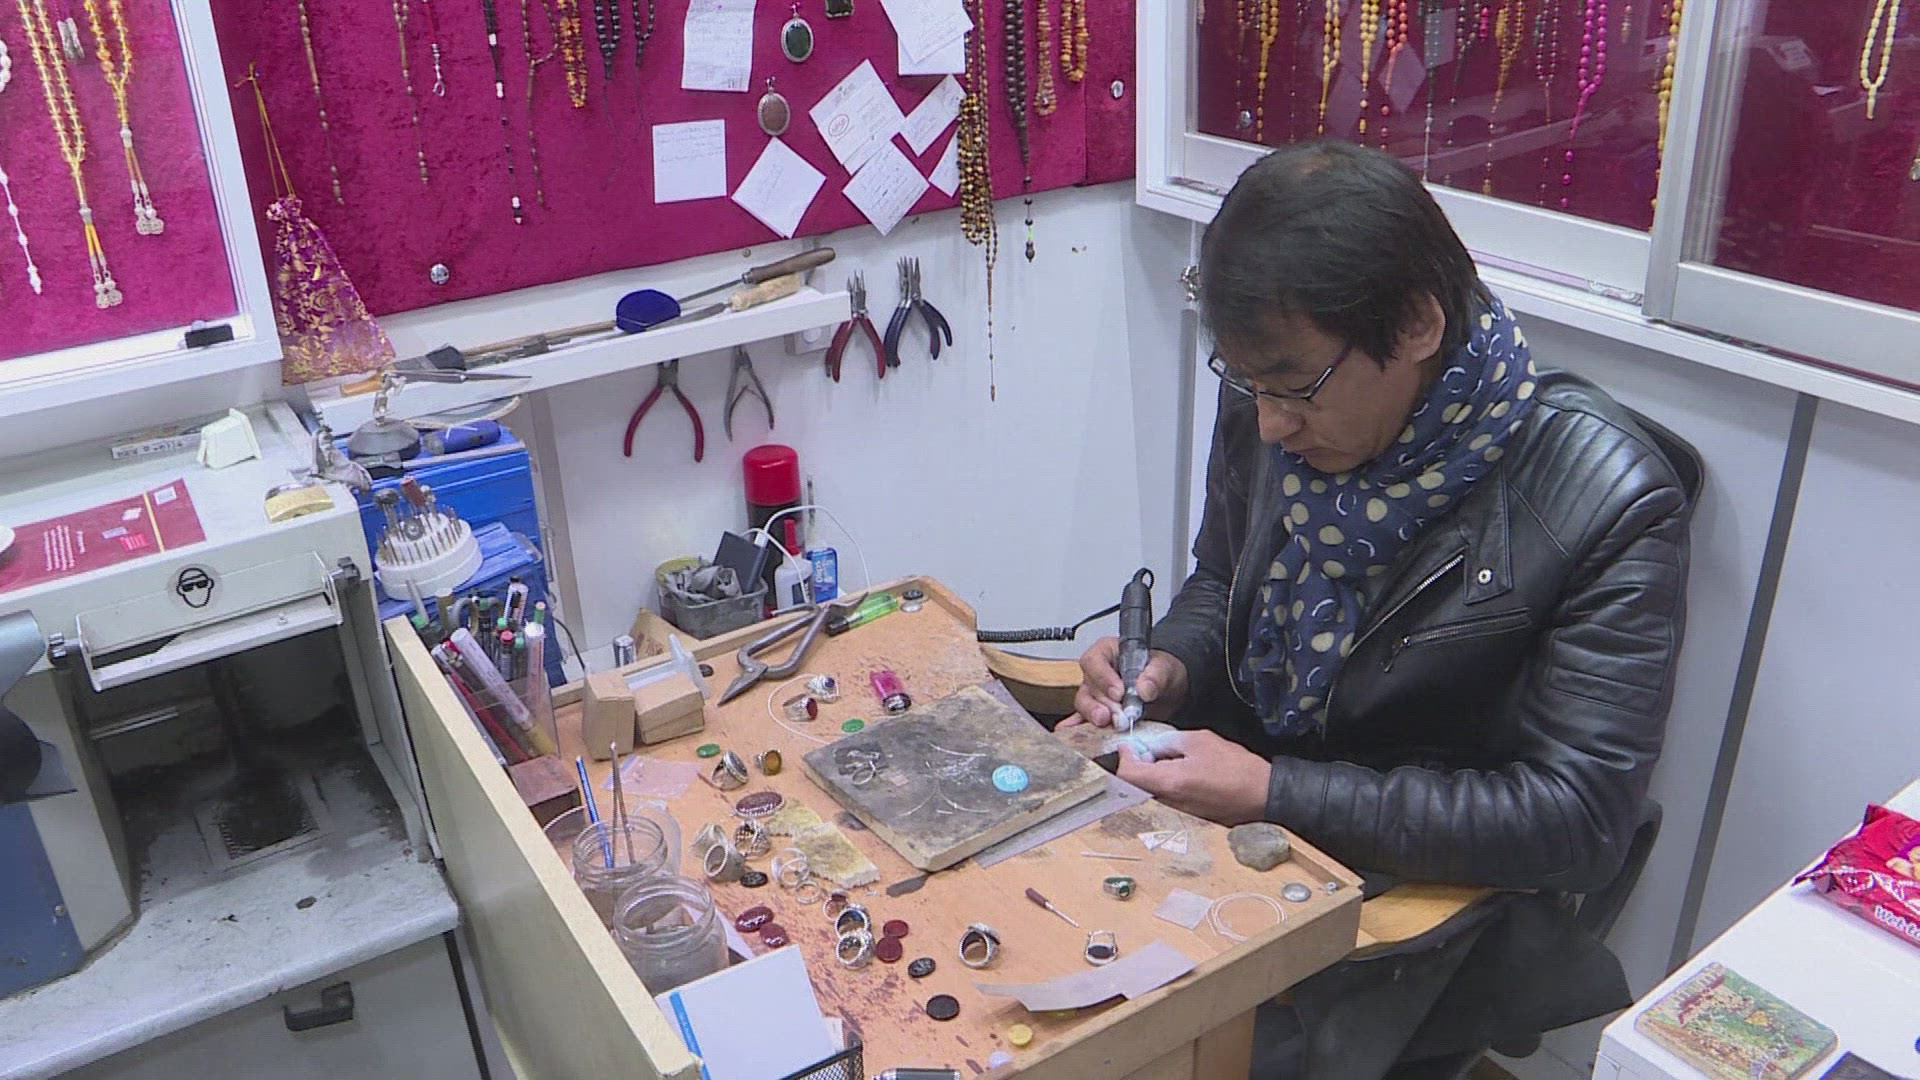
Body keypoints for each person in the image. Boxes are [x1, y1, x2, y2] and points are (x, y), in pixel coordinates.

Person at [1063, 141, 1697, 1078]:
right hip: (1243, 825)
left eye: (1294, 390)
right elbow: (1222, 579)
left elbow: (1577, 821)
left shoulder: (1609, 500)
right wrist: (1167, 665)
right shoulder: (1280, 399)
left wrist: (1277, 793)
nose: (1271, 424)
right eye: (1249, 384)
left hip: (1408, 914)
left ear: (1416, 324)